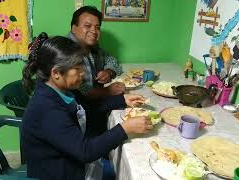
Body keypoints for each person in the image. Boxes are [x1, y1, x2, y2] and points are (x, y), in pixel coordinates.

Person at [21, 32, 153, 180]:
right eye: (77, 68)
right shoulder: (47, 108)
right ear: (56, 73)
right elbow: (85, 151)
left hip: (72, 161)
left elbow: (88, 108)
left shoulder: (61, 89)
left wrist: (122, 100)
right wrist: (125, 128)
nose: (83, 73)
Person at [68, 6, 125, 100]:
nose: (94, 31)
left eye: (97, 27)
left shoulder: (91, 46)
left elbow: (111, 59)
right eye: (87, 26)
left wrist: (109, 72)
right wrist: (107, 91)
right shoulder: (65, 51)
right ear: (74, 28)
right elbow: (79, 91)